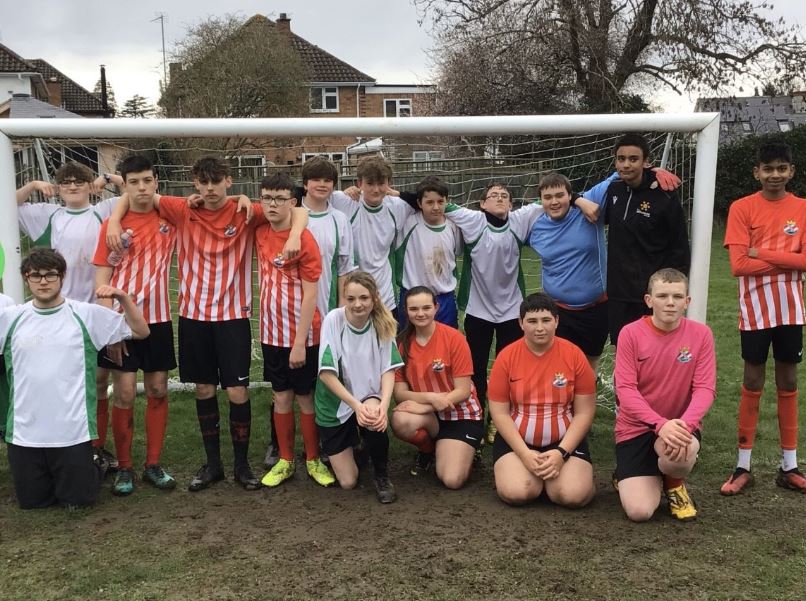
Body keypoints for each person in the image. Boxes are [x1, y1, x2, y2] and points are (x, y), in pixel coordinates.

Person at [106, 156, 309, 492]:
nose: (211, 189)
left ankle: (241, 465)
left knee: (237, 391)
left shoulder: (247, 212)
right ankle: (212, 464)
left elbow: (298, 209)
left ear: (230, 181)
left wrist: (296, 235)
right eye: (204, 182)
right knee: (202, 389)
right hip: (193, 317)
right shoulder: (180, 208)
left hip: (233, 318)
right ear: (195, 183)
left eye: (217, 182)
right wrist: (114, 220)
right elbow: (136, 193)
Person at [444, 184, 597, 443]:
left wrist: (580, 200)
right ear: (481, 204)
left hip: (511, 310)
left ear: (512, 204)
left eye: (505, 196)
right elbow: (435, 200)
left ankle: (503, 420)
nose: (500, 199)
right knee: (477, 368)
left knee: (512, 370)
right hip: (477, 308)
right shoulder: (472, 220)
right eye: (493, 195)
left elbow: (553, 200)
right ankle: (477, 420)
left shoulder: (520, 219)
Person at [0, 248, 149, 509]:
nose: (43, 281)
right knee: (34, 503)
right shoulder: (11, 318)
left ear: (62, 276)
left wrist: (123, 298)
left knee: (79, 501)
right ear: (26, 278)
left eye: (50, 275)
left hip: (73, 431)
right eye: (36, 276)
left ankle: (94, 462)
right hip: (25, 432)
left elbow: (141, 330)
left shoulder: (85, 314)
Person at [16, 162, 123, 469]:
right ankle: (70, 445)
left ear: (90, 186)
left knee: (99, 381)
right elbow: (7, 202)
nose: (73, 187)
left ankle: (97, 446)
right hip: (60, 313)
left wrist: (108, 178)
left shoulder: (105, 210)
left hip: (97, 310)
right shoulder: (49, 214)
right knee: (67, 381)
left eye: (80, 182)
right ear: (58, 188)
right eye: (66, 183)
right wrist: (36, 185)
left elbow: (137, 190)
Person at [721, 141, 806, 495]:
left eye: (781, 168)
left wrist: (762, 252)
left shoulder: (802, 209)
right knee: (753, 379)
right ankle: (743, 465)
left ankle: (790, 466)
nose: (774, 175)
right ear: (757, 172)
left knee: (787, 380)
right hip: (755, 310)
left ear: (791, 172)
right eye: (767, 169)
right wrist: (787, 257)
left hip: (790, 310)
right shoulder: (742, 208)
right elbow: (739, 266)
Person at [92, 155, 177, 496]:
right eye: (133, 182)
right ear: (124, 186)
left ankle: (152, 465)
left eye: (147, 180)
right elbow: (102, 278)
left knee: (157, 389)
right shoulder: (113, 227)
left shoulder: (169, 216)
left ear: (156, 182)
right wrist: (109, 328)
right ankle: (124, 467)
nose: (141, 188)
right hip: (121, 324)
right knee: (124, 392)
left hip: (158, 320)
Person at [264, 156, 356, 469]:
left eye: (328, 180)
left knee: (319, 384)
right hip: (284, 319)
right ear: (304, 185)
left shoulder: (339, 219)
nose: (322, 185)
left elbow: (344, 267)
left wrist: (342, 311)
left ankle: (325, 447)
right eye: (315, 179)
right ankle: (278, 447)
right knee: (283, 390)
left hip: (324, 314)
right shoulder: (284, 214)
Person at [614, 268, 716, 521]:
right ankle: (628, 474)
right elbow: (625, 389)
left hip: (678, 428)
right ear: (649, 300)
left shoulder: (702, 334)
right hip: (636, 428)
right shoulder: (630, 333)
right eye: (662, 296)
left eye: (677, 296)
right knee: (639, 512)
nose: (670, 302)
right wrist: (660, 424)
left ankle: (673, 484)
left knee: (684, 449)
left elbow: (705, 389)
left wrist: (684, 426)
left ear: (687, 302)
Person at [254, 172, 335, 488]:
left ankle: (313, 459)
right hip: (271, 335)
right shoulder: (260, 232)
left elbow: (311, 294)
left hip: (303, 336)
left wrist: (300, 342)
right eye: (267, 198)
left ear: (292, 202)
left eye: (280, 198)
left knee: (306, 397)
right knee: (280, 396)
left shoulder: (305, 241)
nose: (272, 204)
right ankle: (286, 460)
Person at [487, 292, 597, 508]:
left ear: (556, 321)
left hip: (564, 443)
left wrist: (560, 453)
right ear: (520, 323)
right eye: (532, 321)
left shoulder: (575, 355)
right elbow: (499, 413)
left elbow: (585, 412)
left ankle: (567, 478)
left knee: (572, 496)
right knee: (518, 492)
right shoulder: (506, 357)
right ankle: (531, 474)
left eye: (546, 320)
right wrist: (525, 454)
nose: (540, 328)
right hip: (519, 443)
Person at [315, 271, 403, 503]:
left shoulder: (383, 322)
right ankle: (354, 445)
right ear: (344, 298)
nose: (357, 304)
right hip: (335, 403)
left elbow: (389, 369)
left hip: (367, 398)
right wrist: (354, 405)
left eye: (363, 298)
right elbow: (326, 374)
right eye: (351, 298)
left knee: (373, 415)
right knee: (348, 482)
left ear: (374, 298)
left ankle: (382, 476)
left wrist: (383, 406)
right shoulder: (334, 320)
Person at [392, 286, 482, 488]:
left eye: (426, 307)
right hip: (432, 416)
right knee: (400, 419)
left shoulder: (454, 338)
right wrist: (432, 399)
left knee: (452, 480)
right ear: (406, 311)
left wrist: (427, 406)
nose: (421, 313)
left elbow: (463, 391)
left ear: (436, 307)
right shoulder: (401, 344)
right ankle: (428, 451)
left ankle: (468, 450)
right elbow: (399, 393)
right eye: (414, 309)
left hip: (461, 414)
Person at [604, 134, 691, 346]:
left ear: (645, 162)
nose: (626, 164)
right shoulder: (613, 189)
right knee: (624, 352)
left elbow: (679, 247)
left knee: (656, 353)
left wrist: (669, 290)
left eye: (633, 159)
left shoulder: (665, 194)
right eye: (621, 158)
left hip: (652, 294)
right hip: (619, 293)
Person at [327, 156, 411, 319]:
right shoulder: (344, 201)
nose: (376, 190)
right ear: (359, 184)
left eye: (381, 183)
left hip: (385, 297)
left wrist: (399, 193)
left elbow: (425, 199)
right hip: (353, 298)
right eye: (370, 184)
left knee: (387, 343)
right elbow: (305, 194)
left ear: (389, 183)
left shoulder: (398, 206)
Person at [395, 177, 463, 329]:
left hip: (444, 298)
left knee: (446, 344)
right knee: (408, 345)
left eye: (440, 201)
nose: (436, 207)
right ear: (419, 203)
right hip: (411, 297)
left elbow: (457, 252)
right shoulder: (407, 223)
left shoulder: (454, 226)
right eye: (429, 202)